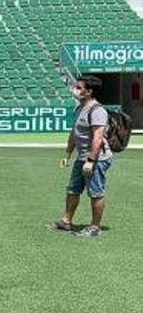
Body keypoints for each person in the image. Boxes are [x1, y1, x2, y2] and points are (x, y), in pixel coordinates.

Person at [50, 76, 113, 237]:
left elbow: (98, 138)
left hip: (96, 159)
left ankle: (94, 227)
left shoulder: (97, 110)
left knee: (95, 192)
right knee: (72, 189)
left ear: (89, 91)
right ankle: (66, 221)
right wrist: (67, 154)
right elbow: (74, 134)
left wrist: (91, 160)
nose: (75, 89)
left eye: (79, 87)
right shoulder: (79, 108)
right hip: (82, 157)